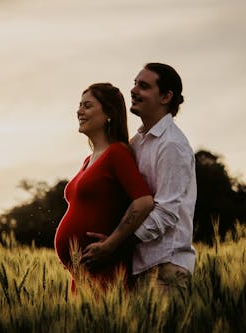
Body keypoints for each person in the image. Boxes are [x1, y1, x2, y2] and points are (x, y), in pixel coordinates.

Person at [82, 63, 197, 294]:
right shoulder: (138, 142)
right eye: (134, 84)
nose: (133, 90)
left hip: (166, 269)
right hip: (140, 267)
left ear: (165, 96)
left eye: (143, 86)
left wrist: (114, 244)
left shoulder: (172, 145)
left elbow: (165, 214)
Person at [54, 83, 154, 291]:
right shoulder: (88, 160)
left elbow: (143, 201)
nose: (79, 111)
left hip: (106, 273)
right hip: (82, 276)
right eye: (79, 106)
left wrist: (112, 244)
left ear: (109, 113)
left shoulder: (117, 153)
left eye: (87, 106)